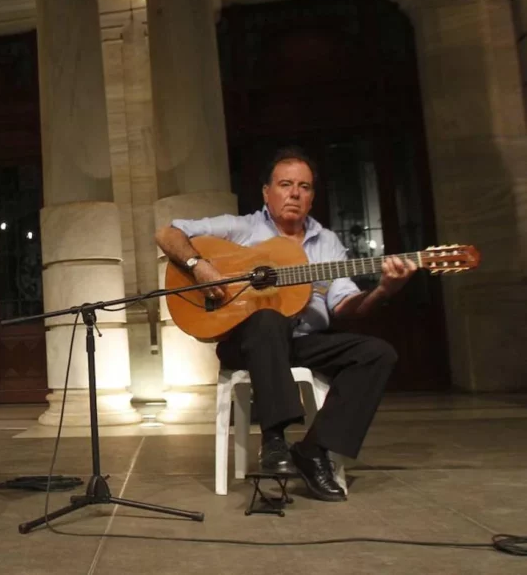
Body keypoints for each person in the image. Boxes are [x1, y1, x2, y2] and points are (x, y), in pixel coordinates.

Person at [154, 147, 417, 501]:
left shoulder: (326, 243)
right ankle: (274, 439)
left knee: (377, 353)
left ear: (311, 196)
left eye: (304, 187)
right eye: (285, 184)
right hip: (247, 343)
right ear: (267, 192)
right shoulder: (241, 228)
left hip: (303, 341)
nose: (294, 193)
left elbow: (345, 307)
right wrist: (199, 265)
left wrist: (384, 289)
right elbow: (167, 234)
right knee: (266, 319)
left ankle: (313, 450)